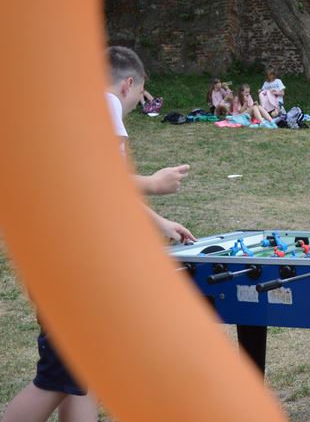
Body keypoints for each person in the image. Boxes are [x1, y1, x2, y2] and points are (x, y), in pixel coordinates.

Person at [1, 46, 195, 422]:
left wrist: (159, 223)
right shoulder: (105, 105)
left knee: (83, 374)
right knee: (57, 379)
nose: (137, 104)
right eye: (140, 95)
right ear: (127, 84)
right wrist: (153, 183)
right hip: (72, 268)